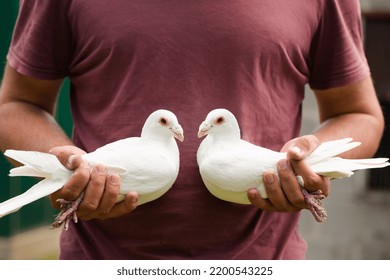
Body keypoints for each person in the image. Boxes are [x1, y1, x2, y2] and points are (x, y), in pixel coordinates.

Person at [0, 0, 384, 259]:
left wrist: (309, 161)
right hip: (101, 263)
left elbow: (360, 113)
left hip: (265, 264)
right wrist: (70, 166)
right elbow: (15, 105)